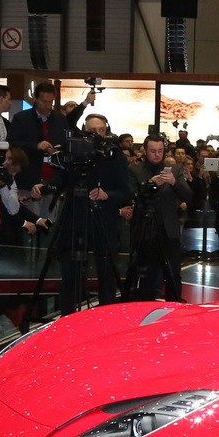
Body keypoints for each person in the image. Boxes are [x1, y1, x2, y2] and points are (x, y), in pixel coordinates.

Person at [54, 112, 132, 314]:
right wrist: (45, 187)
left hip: (103, 219)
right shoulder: (74, 152)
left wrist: (107, 195)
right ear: (83, 132)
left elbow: (126, 191)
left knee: (107, 274)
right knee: (70, 274)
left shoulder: (114, 155)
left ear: (107, 131)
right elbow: (61, 181)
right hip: (75, 218)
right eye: (92, 130)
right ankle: (67, 318)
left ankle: (107, 317)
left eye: (101, 130)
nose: (97, 134)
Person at [124, 134, 191, 300]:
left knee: (173, 274)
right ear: (145, 151)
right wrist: (150, 184)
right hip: (145, 230)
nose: (157, 154)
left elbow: (188, 196)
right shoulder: (135, 170)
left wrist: (174, 182)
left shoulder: (174, 169)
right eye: (153, 151)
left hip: (169, 230)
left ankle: (175, 308)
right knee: (146, 276)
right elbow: (130, 195)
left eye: (160, 151)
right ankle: (145, 309)